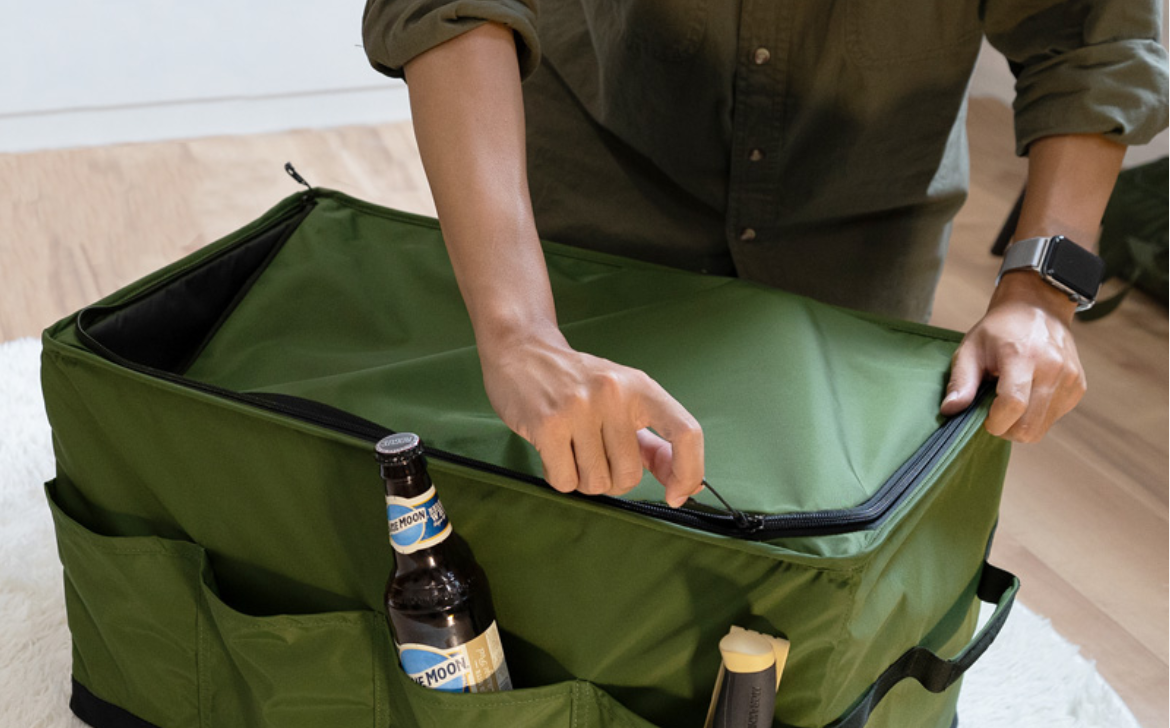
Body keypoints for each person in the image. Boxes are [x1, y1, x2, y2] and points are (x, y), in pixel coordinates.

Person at [361, 0, 1168, 508]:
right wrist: (519, 331)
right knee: (559, 512)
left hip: (867, 215)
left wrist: (1040, 292)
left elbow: (1091, 34)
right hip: (600, 164)